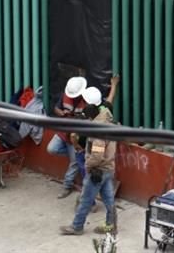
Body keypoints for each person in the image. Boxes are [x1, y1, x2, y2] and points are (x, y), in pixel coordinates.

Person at [60, 87, 118, 236]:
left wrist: (88, 165)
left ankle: (77, 226)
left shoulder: (98, 130)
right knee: (109, 199)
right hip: (108, 168)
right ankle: (111, 225)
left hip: (97, 170)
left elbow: (97, 155)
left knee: (85, 199)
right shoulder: (107, 117)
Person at [47, 76, 88, 199]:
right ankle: (76, 157)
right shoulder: (65, 96)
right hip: (63, 131)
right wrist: (61, 113)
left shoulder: (87, 100)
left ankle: (67, 185)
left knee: (75, 161)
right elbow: (56, 108)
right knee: (51, 149)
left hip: (75, 135)